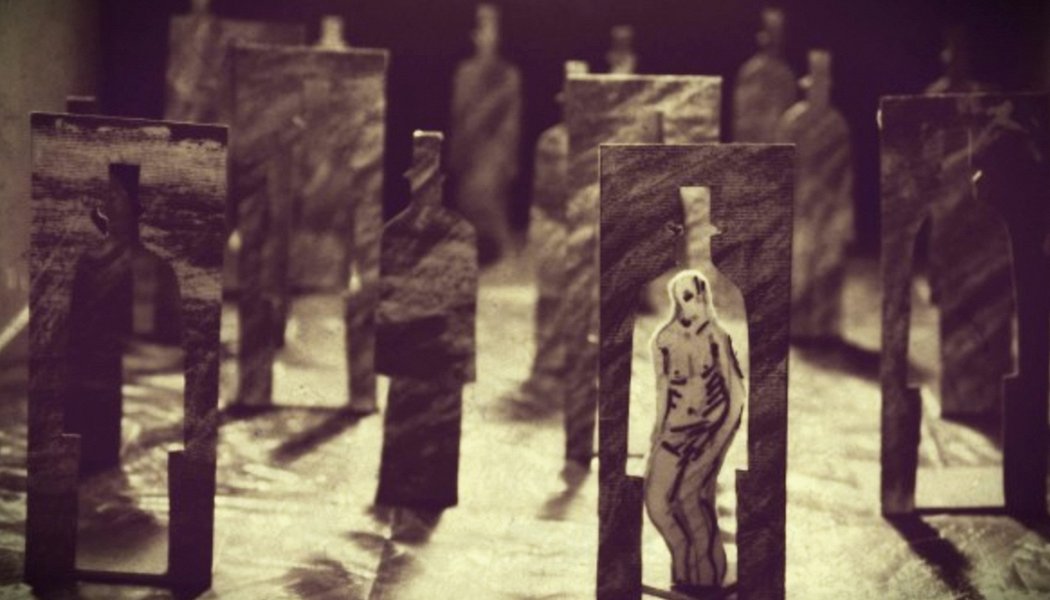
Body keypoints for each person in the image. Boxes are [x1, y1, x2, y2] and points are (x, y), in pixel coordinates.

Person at [645, 270, 745, 597]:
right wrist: (656, 437)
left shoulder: (718, 337)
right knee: (657, 502)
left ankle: (706, 577)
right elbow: (662, 392)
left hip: (707, 433)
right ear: (677, 301)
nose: (697, 302)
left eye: (700, 294)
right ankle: (683, 558)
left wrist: (719, 440)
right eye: (688, 296)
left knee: (692, 501)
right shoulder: (664, 340)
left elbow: (736, 395)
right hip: (672, 433)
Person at [448, 3, 522, 265]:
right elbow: (458, 114)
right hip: (470, 148)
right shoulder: (465, 72)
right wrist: (457, 152)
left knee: (490, 198)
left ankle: (502, 253)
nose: (489, 36)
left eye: (493, 29)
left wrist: (509, 158)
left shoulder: (508, 75)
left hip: (495, 149)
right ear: (475, 35)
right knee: (468, 203)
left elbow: (511, 121)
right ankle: (470, 255)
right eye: (484, 28)